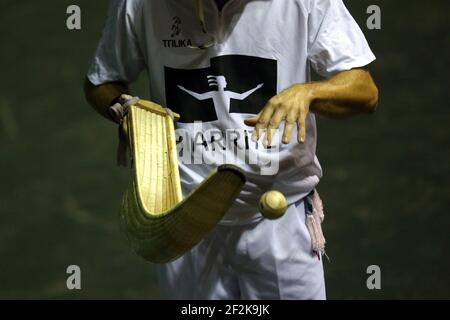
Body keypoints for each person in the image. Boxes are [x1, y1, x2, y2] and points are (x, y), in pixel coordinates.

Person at [85, 0, 379, 300]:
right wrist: (123, 108)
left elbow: (364, 91)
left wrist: (310, 92)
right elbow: (102, 81)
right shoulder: (141, 4)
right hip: (185, 221)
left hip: (280, 219)